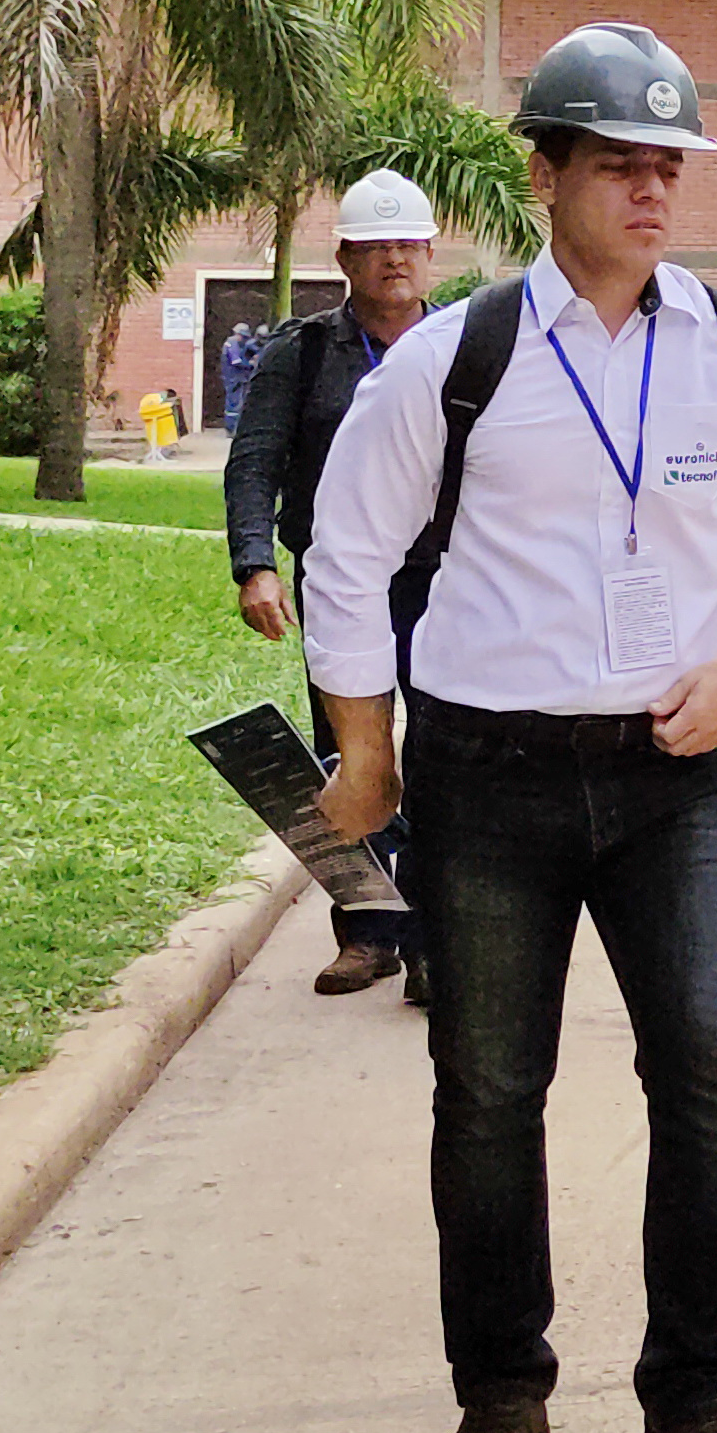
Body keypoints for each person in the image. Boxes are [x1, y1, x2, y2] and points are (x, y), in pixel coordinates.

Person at [298, 21, 717, 1433]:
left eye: (670, 165)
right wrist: (366, 749)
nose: (654, 189)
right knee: (487, 1093)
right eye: (621, 162)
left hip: (683, 778)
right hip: (490, 779)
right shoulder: (456, 357)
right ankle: (501, 1394)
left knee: (713, 1081)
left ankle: (695, 1410)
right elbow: (346, 555)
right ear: (543, 174)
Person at [224, 167, 442, 998]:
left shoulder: (461, 344)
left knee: (442, 756)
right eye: (375, 246)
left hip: (442, 584)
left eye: (406, 245)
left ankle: (432, 940)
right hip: (341, 585)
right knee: (345, 756)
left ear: (430, 254)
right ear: (345, 259)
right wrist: (255, 565)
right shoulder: (302, 352)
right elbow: (255, 464)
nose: (393, 259)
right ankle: (364, 932)